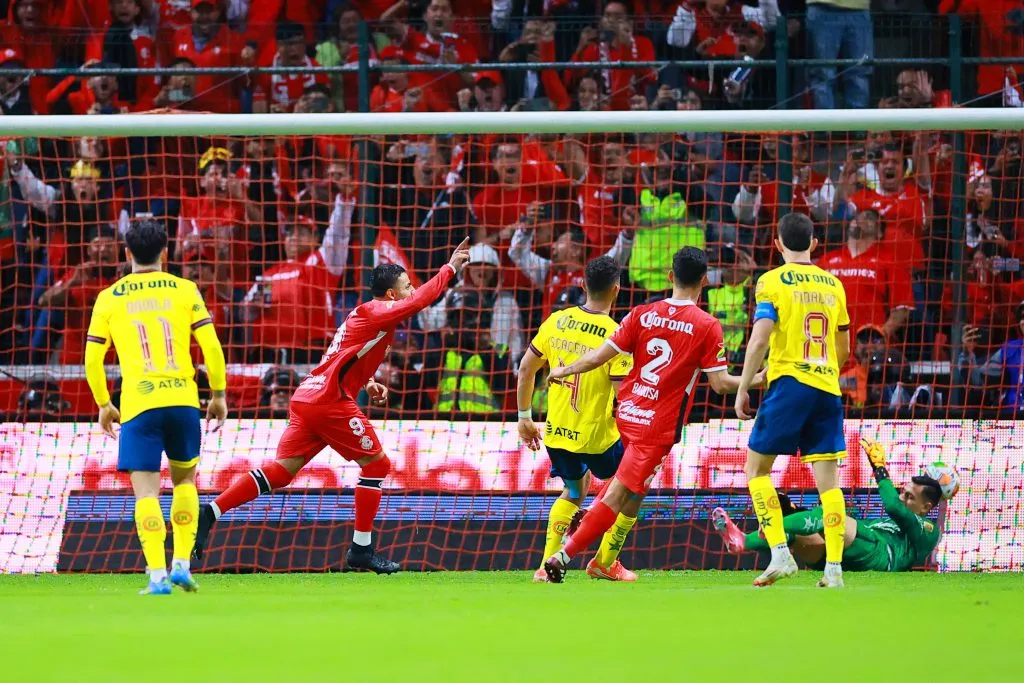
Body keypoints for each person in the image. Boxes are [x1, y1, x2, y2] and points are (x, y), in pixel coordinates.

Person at [192, 238, 473, 572]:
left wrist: (367, 382)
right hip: (329, 402)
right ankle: (361, 551)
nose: (412, 290)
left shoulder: (366, 317)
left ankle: (210, 511)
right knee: (377, 467)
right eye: (407, 285)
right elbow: (421, 302)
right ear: (392, 295)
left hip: (309, 396)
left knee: (282, 471)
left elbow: (342, 354)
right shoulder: (374, 311)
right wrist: (450, 268)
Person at [543, 247, 763, 582]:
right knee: (620, 494)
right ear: (704, 281)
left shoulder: (641, 313)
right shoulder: (707, 325)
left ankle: (604, 553)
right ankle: (566, 555)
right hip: (656, 427)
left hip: (628, 413)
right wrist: (756, 379)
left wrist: (565, 370)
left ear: (670, 276)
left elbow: (599, 356)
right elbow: (720, 385)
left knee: (634, 489)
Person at [83, 219, 228, 595]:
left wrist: (103, 403)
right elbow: (211, 347)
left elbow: (92, 359)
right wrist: (218, 394)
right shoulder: (186, 289)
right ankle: (182, 564)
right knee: (185, 482)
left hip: (140, 405)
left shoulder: (110, 297)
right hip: (182, 402)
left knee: (146, 493)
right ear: (167, 252)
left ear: (127, 253)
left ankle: (157, 576)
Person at [734, 213, 852, 588]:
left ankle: (782, 555)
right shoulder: (834, 284)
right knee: (829, 485)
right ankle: (834, 570)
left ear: (777, 243)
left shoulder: (771, 281)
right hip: (827, 386)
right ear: (814, 244)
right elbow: (844, 347)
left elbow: (759, 338)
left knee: (757, 470)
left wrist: (743, 387)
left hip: (790, 383)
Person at [517, 256, 637, 582]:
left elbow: (526, 368)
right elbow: (621, 394)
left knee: (573, 489)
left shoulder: (557, 320)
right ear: (617, 289)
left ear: (582, 284)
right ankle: (606, 559)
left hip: (557, 432)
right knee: (631, 487)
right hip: (598, 437)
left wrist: (524, 417)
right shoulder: (617, 334)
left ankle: (545, 566)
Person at [714, 439, 952, 572]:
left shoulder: (928, 531)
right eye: (903, 492)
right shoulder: (886, 523)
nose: (902, 498)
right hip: (851, 558)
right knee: (796, 534)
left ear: (925, 507)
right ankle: (742, 542)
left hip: (880, 555)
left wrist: (880, 469)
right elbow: (883, 516)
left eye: (910, 497)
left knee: (831, 514)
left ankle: (767, 528)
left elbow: (892, 506)